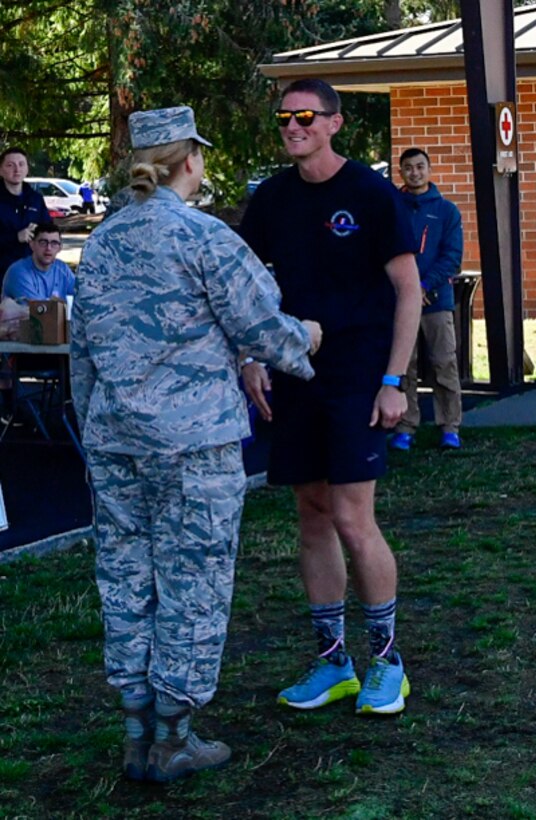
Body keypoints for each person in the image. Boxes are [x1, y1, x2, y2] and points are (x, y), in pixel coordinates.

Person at [69, 105, 322, 784]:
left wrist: (95, 432)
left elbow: (82, 354)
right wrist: (308, 339)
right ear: (192, 161)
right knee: (193, 582)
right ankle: (175, 736)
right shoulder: (204, 238)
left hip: (117, 443)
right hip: (194, 445)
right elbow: (265, 330)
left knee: (126, 581)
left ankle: (134, 729)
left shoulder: (100, 244)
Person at [239, 79, 422, 717]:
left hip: (359, 376)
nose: (293, 126)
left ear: (335, 123)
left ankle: (388, 663)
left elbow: (408, 290)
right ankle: (333, 661)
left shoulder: (370, 194)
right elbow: (248, 287)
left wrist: (394, 380)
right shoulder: (270, 199)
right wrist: (251, 355)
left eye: (306, 116)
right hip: (294, 376)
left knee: (352, 516)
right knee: (312, 514)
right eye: (285, 117)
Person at [389, 148, 463, 451]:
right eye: (408, 168)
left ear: (429, 170)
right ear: (401, 172)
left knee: (444, 362)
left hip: (436, 300)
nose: (415, 173)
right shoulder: (392, 208)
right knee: (405, 365)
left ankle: (450, 426)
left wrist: (421, 286)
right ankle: (405, 426)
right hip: (398, 302)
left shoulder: (447, 211)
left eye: (420, 167)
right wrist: (404, 290)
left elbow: (452, 257)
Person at [0, 147, 50, 289]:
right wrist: (15, 237)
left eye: (21, 164)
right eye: (10, 165)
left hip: (31, 274)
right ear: (1, 170)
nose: (17, 169)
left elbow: (49, 230)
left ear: (27, 168)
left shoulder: (36, 199)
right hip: (3, 273)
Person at [2, 222, 75, 301]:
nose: (48, 248)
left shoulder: (63, 269)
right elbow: (39, 309)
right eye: (43, 242)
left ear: (60, 248)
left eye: (54, 243)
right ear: (32, 245)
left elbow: (81, 297)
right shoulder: (18, 272)